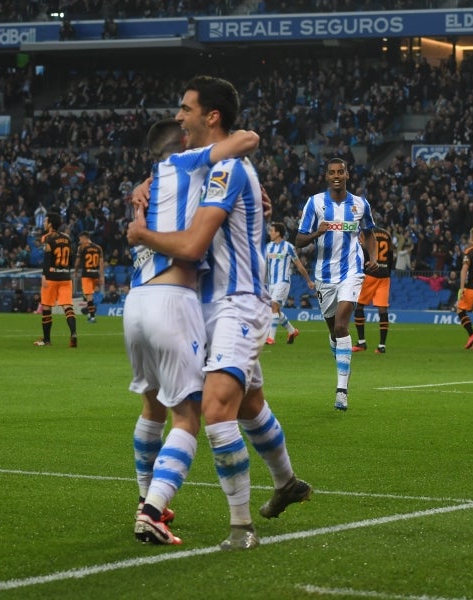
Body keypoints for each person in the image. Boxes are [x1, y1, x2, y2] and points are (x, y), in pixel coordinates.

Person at [128, 76, 310, 551]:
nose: (178, 117)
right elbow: (171, 170)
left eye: (185, 109)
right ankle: (287, 482)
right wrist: (145, 184)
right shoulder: (200, 168)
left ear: (211, 117)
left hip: (238, 303)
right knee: (249, 402)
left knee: (214, 409)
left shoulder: (229, 170)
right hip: (198, 306)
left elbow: (193, 244)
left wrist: (143, 234)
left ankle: (241, 526)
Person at [125, 116, 260, 547]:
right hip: (173, 301)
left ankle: (147, 497)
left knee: (151, 408)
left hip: (134, 302)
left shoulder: (151, 184)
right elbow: (246, 139)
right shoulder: (188, 161)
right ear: (182, 141)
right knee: (189, 416)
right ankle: (151, 513)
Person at [295, 158, 378, 411]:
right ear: (327, 176)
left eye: (340, 171)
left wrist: (373, 258)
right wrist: (315, 234)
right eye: (332, 172)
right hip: (324, 275)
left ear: (347, 174)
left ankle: (341, 390)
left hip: (352, 271)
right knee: (334, 331)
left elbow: (371, 233)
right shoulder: (315, 203)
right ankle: (341, 360)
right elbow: (298, 240)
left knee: (342, 325)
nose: (336, 176)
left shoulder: (360, 204)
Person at [264, 222, 314, 345]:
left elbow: (299, 265)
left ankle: (271, 338)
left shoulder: (288, 247)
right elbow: (263, 266)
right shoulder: (268, 247)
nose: (270, 233)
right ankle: (292, 331)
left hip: (283, 281)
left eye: (272, 231)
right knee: (275, 310)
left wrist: (308, 280)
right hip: (271, 283)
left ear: (278, 233)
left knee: (274, 307)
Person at [34, 213, 78, 347]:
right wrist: (65, 270)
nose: (44, 223)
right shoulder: (67, 238)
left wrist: (44, 276)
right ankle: (73, 333)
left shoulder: (47, 238)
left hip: (51, 277)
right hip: (65, 277)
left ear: (51, 224)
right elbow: (71, 260)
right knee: (68, 306)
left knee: (46, 307)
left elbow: (47, 261)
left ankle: (46, 340)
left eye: (46, 221)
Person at [353, 225, 395, 354]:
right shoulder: (387, 234)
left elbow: (363, 249)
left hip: (370, 273)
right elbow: (391, 255)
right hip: (384, 276)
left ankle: (361, 342)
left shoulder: (366, 233)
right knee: (383, 310)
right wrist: (388, 271)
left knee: (359, 306)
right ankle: (382, 346)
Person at [75, 231, 104, 323]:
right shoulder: (98, 247)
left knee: (89, 296)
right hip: (95, 274)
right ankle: (90, 314)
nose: (80, 241)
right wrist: (101, 276)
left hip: (86, 274)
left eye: (80, 239)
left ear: (84, 238)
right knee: (90, 295)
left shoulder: (82, 247)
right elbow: (101, 264)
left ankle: (92, 317)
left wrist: (75, 271)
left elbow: (77, 262)